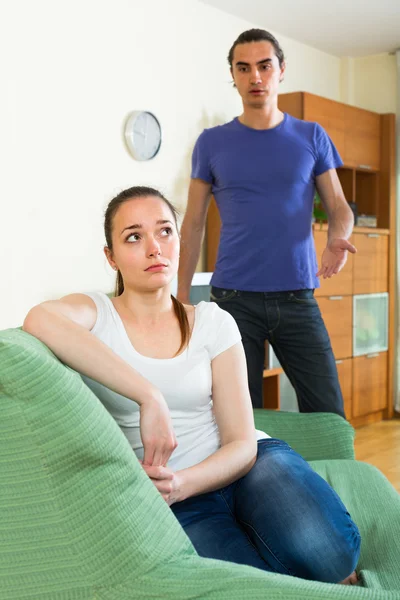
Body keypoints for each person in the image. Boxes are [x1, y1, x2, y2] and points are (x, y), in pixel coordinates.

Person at [23, 186, 360, 584]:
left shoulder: (213, 321)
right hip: (173, 499)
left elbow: (241, 442)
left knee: (332, 554)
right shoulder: (96, 314)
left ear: (180, 241)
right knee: (244, 590)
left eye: (165, 231)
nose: (154, 248)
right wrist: (148, 395)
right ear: (111, 256)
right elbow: (38, 319)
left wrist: (185, 481)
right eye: (134, 236)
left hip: (247, 465)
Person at [177, 29, 357, 416]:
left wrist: (337, 237)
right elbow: (192, 225)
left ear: (281, 70)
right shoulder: (211, 142)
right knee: (240, 420)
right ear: (234, 75)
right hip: (232, 301)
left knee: (330, 414)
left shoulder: (311, 136)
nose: (255, 77)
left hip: (297, 297)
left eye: (264, 66)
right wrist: (178, 299)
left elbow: (340, 207)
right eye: (244, 68)